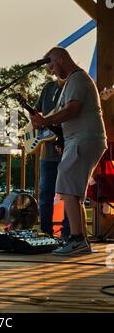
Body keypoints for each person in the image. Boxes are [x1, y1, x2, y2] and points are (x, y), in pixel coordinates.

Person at [30, 47, 107, 255]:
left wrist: (45, 120)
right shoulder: (72, 82)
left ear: (62, 59)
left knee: (67, 186)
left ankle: (77, 239)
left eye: (52, 66)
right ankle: (80, 240)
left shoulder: (78, 79)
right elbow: (66, 115)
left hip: (84, 139)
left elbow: (72, 110)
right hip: (80, 139)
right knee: (72, 190)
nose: (52, 71)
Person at [35, 78, 70, 239]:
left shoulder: (73, 87)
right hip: (47, 153)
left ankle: (68, 234)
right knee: (45, 194)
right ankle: (45, 232)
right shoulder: (48, 87)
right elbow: (36, 110)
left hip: (68, 149)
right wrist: (34, 121)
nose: (52, 69)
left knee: (69, 193)